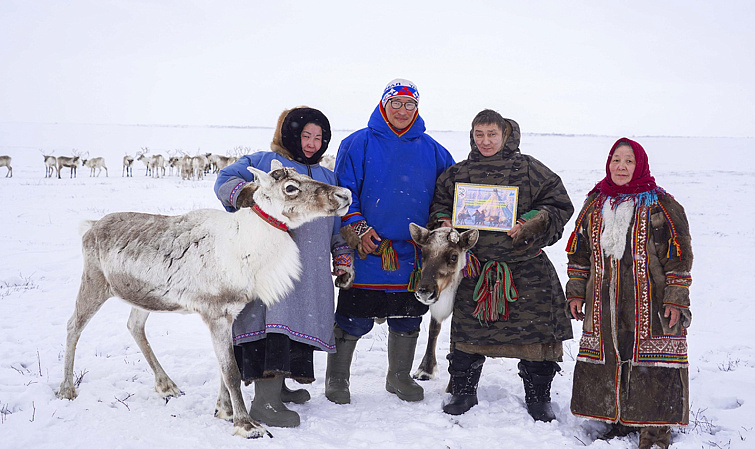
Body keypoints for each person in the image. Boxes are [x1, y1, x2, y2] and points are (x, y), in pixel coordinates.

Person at [429, 109, 574, 421]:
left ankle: (538, 398)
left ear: (505, 134)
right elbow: (440, 202)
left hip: (526, 270)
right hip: (475, 270)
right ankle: (463, 392)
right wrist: (443, 219)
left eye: (492, 134)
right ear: (472, 135)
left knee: (535, 337)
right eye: (479, 134)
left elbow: (559, 204)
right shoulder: (458, 173)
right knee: (467, 335)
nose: (486, 141)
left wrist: (530, 222)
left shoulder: (530, 169)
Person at [214, 106, 354, 427]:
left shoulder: (326, 176)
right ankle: (266, 402)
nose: (312, 142)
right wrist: (246, 195)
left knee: (296, 328)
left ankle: (282, 387)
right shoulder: (263, 161)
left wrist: (341, 254)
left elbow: (335, 226)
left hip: (310, 272)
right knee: (272, 327)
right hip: (270, 268)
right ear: (290, 133)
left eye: (319, 137)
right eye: (306, 135)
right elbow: (225, 179)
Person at [328, 78, 455, 404]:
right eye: (395, 103)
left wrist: (444, 221)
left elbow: (449, 197)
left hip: (414, 255)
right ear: (383, 104)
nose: (402, 109)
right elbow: (344, 193)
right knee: (353, 317)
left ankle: (398, 377)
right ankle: (337, 378)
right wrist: (357, 229)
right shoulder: (358, 144)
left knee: (408, 316)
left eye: (409, 104)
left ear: (417, 108)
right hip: (370, 249)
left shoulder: (435, 152)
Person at [565, 137, 693, 449]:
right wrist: (576, 292)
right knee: (613, 353)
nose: (621, 167)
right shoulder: (596, 205)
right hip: (604, 302)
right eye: (616, 160)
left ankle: (655, 430)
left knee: (652, 359)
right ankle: (621, 417)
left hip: (651, 300)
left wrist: (676, 298)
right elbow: (579, 255)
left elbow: (679, 258)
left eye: (629, 161)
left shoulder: (661, 205)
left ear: (641, 166)